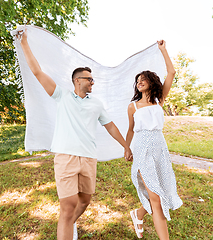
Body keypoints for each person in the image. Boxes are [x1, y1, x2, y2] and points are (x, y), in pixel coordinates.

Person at [17, 29, 132, 240]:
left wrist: (125, 145)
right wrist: (24, 42)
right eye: (90, 79)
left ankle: (70, 223)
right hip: (66, 157)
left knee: (85, 200)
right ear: (78, 80)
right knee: (68, 207)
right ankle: (68, 223)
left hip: (89, 158)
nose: (93, 82)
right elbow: (37, 72)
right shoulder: (62, 96)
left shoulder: (96, 104)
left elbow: (111, 126)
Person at [126, 40, 183, 239]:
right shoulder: (133, 106)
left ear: (151, 81)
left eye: (143, 79)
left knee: (161, 193)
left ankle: (139, 213)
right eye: (137, 80)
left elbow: (172, 73)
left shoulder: (159, 101)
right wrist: (127, 148)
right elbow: (131, 130)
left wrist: (163, 50)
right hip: (142, 150)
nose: (139, 82)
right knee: (156, 198)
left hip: (160, 149)